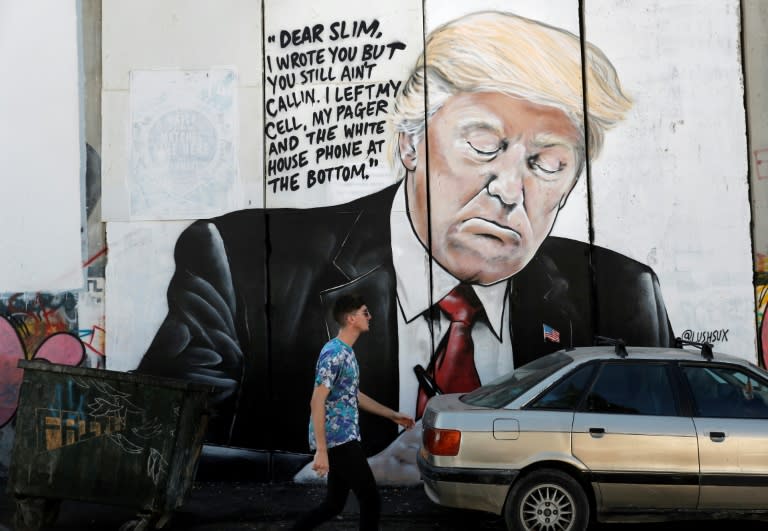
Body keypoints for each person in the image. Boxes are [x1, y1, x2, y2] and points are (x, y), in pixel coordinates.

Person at [136, 11, 674, 480]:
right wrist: (328, 475)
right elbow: (149, 444)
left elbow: (666, 452)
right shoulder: (245, 262)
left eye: (548, 164)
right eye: (484, 145)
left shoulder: (622, 297)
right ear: (410, 143)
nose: (510, 190)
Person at [293, 295, 415, 530]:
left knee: (333, 504)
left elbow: (353, 395)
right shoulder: (333, 353)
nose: (370, 317)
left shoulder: (347, 353)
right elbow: (316, 401)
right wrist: (321, 450)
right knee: (371, 499)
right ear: (351, 319)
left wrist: (392, 415)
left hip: (344, 437)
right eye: (365, 312)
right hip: (338, 440)